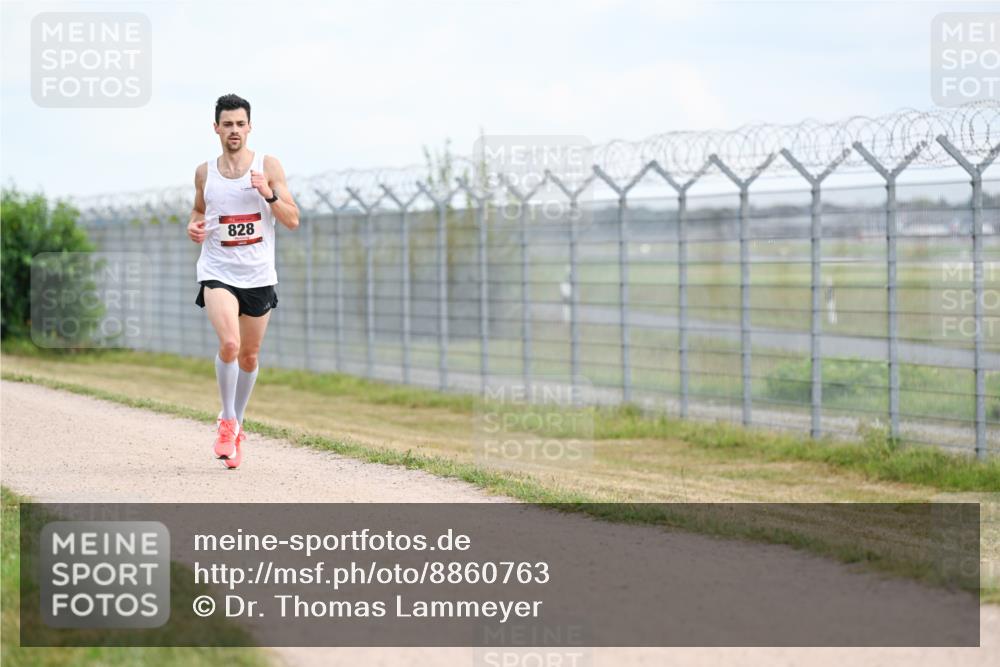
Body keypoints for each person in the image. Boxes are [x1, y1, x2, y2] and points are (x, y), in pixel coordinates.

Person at [186, 94, 299, 469]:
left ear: (249, 127)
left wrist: (267, 193)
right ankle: (227, 421)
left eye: (240, 124)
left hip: (258, 275)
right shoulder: (205, 172)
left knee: (250, 355)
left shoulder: (268, 166)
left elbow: (292, 219)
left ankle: (236, 422)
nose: (234, 130)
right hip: (218, 270)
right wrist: (194, 225)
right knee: (230, 343)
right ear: (216, 128)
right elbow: (200, 209)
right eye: (227, 124)